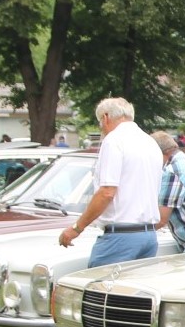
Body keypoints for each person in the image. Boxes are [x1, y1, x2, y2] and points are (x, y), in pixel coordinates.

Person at [59, 96, 163, 265]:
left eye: (100, 122)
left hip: (120, 235)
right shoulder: (150, 142)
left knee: (96, 288)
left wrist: (77, 228)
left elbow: (107, 192)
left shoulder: (114, 140)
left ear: (106, 117)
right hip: (148, 235)